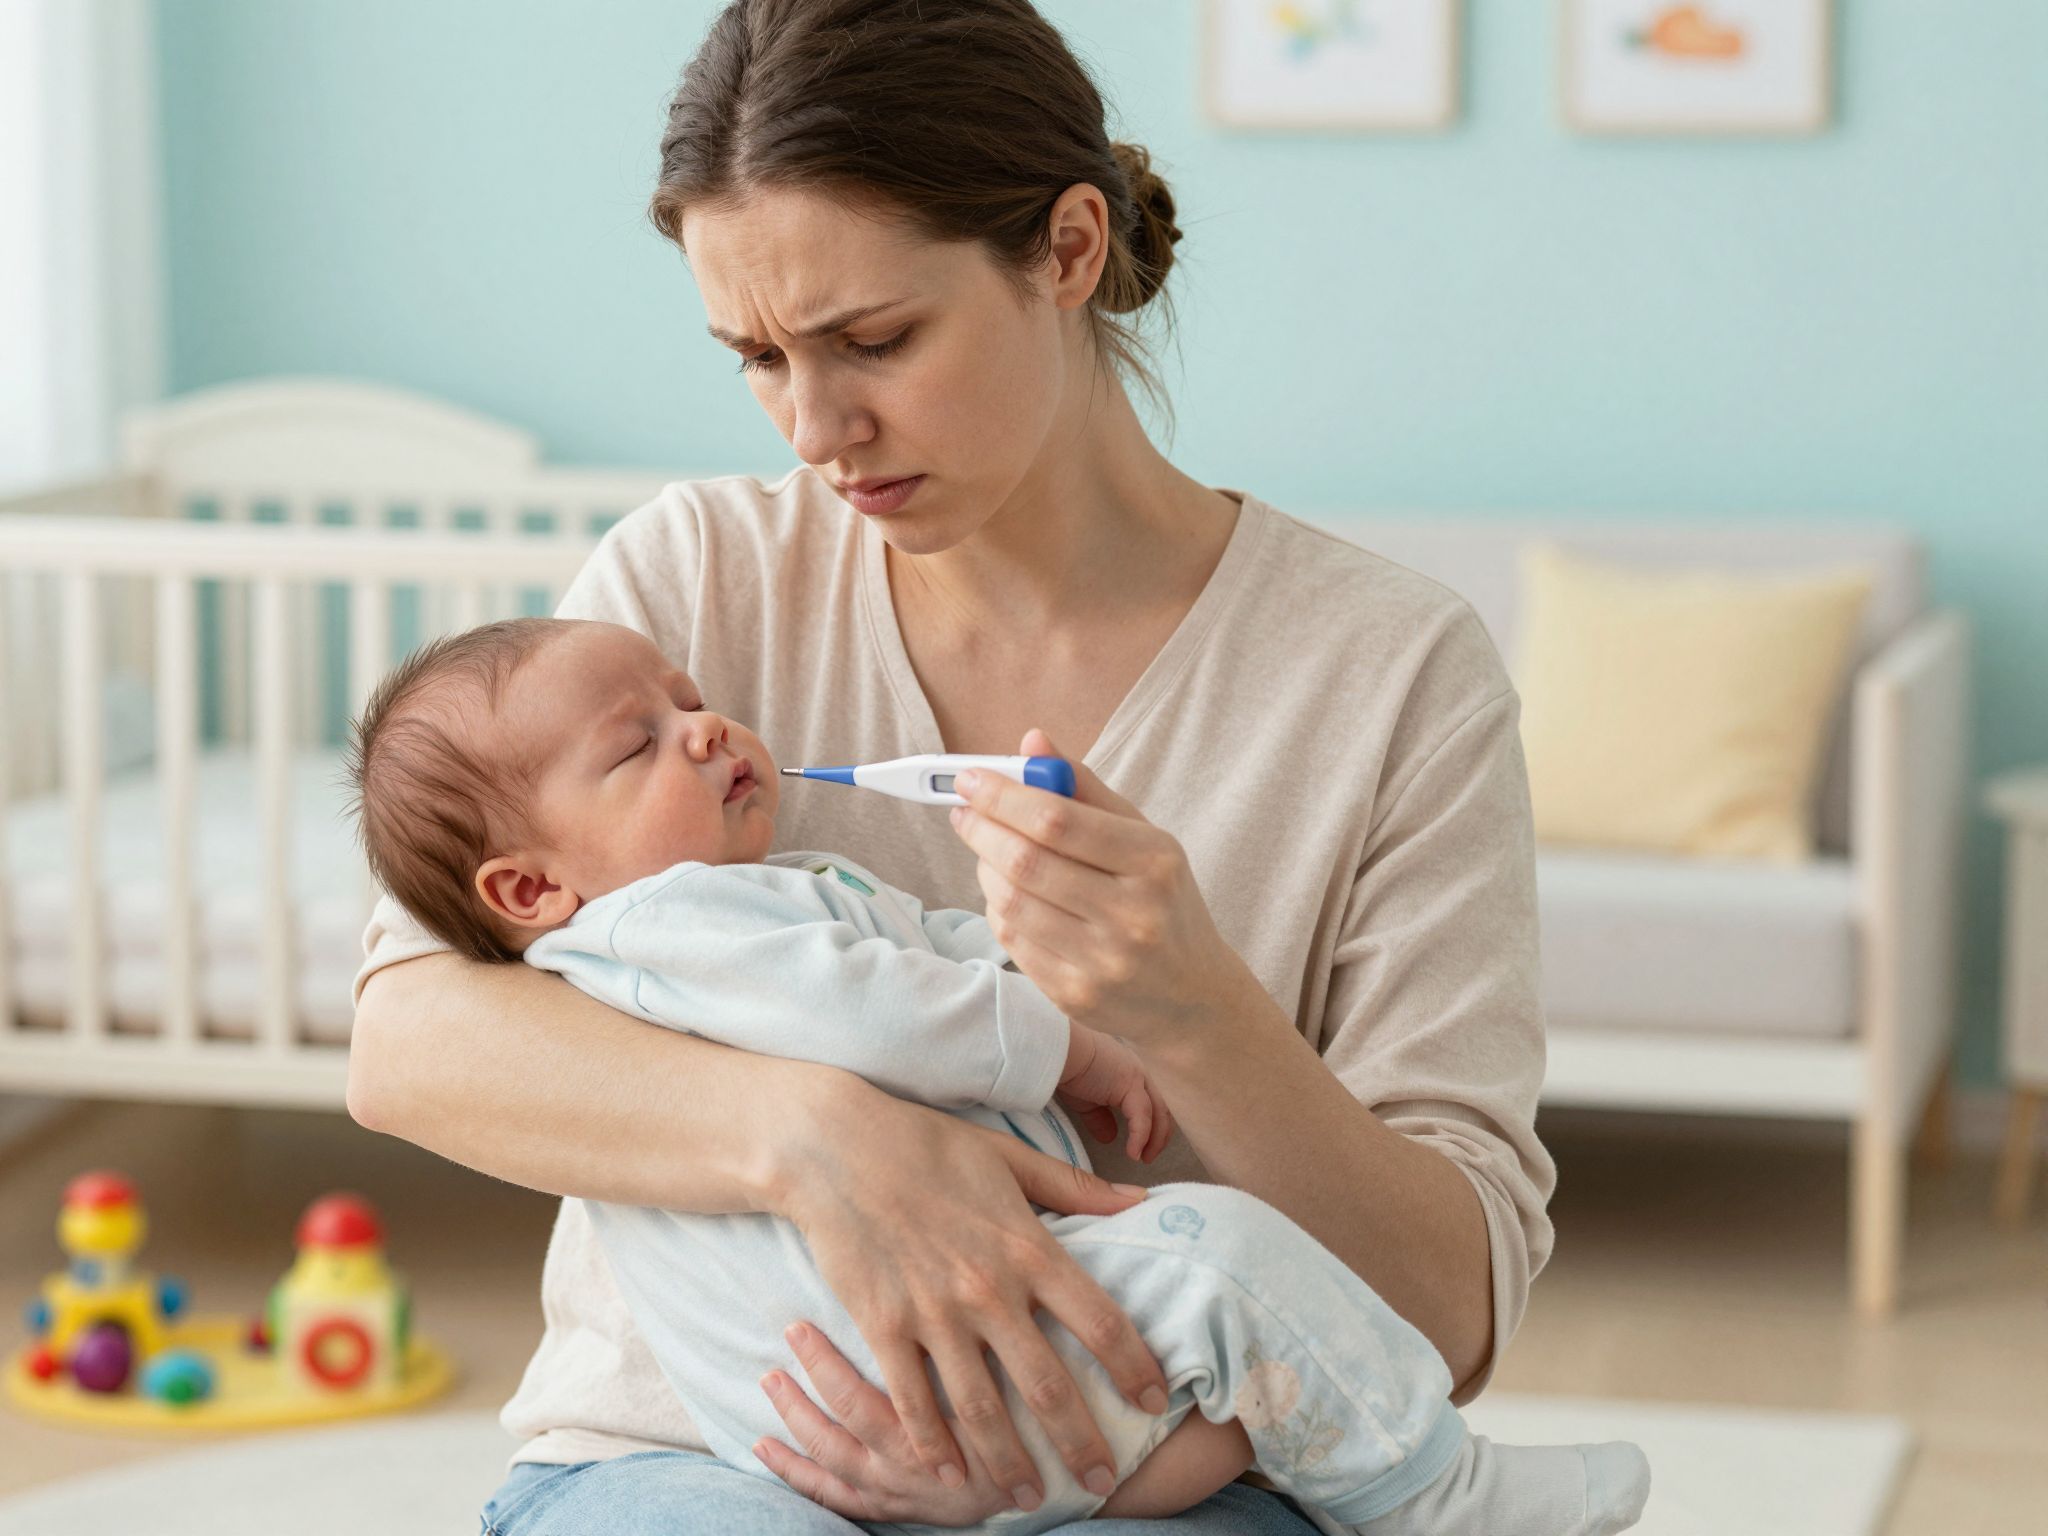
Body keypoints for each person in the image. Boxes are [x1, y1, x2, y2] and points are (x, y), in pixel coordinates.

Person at [346, 2, 1562, 1530]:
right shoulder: (691, 581)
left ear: (1064, 250)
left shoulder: (1391, 673)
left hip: (1155, 1460)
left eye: (874, 341)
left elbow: (1446, 1315)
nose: (815, 427)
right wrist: (829, 1145)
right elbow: (412, 1043)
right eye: (758, 359)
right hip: (703, 1452)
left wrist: (1190, 1007)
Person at [344, 616, 1649, 1535]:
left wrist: (1108, 979)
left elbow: (919, 951)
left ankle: (1249, 1462)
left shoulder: (757, 904)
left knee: (1212, 1371)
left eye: (689, 701)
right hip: (873, 1382)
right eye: (638, 748)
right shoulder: (661, 927)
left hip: (869, 1408)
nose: (701, 729)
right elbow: (870, 1003)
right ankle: (1437, 1502)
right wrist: (1074, 1043)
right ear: (528, 889)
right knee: (1222, 1262)